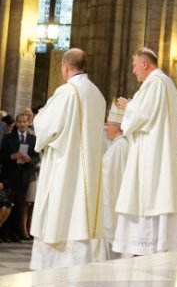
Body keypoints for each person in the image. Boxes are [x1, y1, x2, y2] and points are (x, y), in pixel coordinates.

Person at [30, 47, 106, 270]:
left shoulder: (67, 92)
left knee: (60, 211)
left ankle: (55, 263)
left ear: (65, 67)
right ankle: (79, 260)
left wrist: (40, 116)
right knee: (79, 213)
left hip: (65, 165)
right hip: (88, 169)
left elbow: (45, 126)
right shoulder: (97, 94)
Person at [112, 48, 177, 257]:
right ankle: (156, 242)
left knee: (147, 194)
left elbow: (139, 116)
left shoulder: (154, 84)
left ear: (145, 64)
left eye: (135, 65)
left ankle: (145, 244)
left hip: (151, 152)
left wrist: (129, 106)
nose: (134, 71)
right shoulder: (166, 83)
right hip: (157, 148)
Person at [0, 111, 38, 241]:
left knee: (20, 205)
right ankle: (5, 233)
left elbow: (36, 156)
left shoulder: (33, 139)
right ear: (16, 123)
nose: (22, 124)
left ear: (28, 123)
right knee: (8, 204)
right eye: (20, 122)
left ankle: (16, 233)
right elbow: (2, 155)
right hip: (10, 174)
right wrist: (11, 156)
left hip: (24, 175)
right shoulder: (8, 137)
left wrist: (30, 159)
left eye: (25, 122)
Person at [101, 99, 129, 259]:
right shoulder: (117, 145)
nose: (105, 128)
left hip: (113, 198)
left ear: (118, 127)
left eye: (109, 124)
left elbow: (113, 176)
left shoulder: (120, 147)